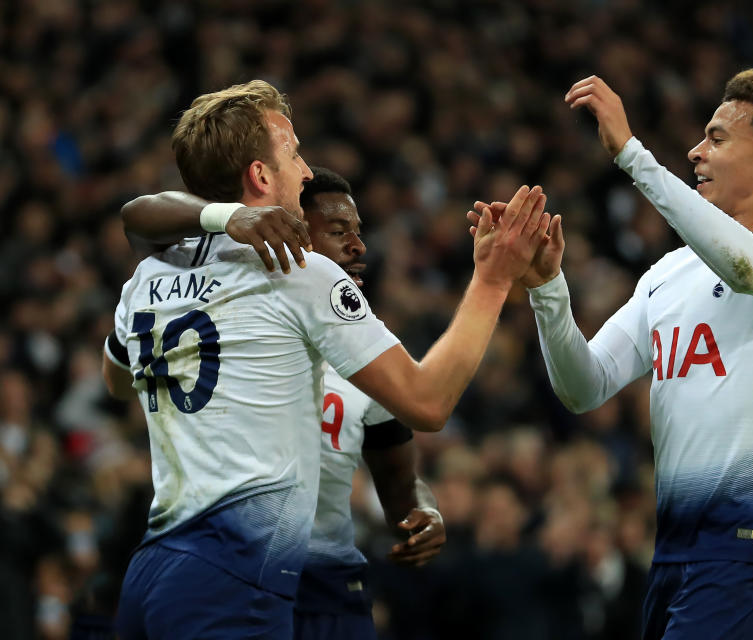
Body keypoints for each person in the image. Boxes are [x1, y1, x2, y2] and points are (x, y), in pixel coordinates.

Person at [102, 79, 549, 639]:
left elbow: (117, 384)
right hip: (231, 580)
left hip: (151, 574)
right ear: (260, 176)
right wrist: (492, 278)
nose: (307, 170)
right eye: (293, 153)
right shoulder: (298, 271)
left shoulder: (146, 277)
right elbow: (429, 403)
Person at [472, 69, 753, 638]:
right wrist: (547, 288)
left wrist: (632, 155)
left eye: (717, 138)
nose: (696, 151)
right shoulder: (669, 273)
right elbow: (584, 387)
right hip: (674, 554)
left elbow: (746, 268)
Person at [119, 166, 447, 640]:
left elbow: (400, 477)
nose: (358, 247)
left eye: (358, 232)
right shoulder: (235, 328)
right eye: (338, 232)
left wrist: (424, 510)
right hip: (234, 569)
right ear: (288, 235)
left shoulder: (376, 364)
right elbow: (140, 217)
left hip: (325, 589)